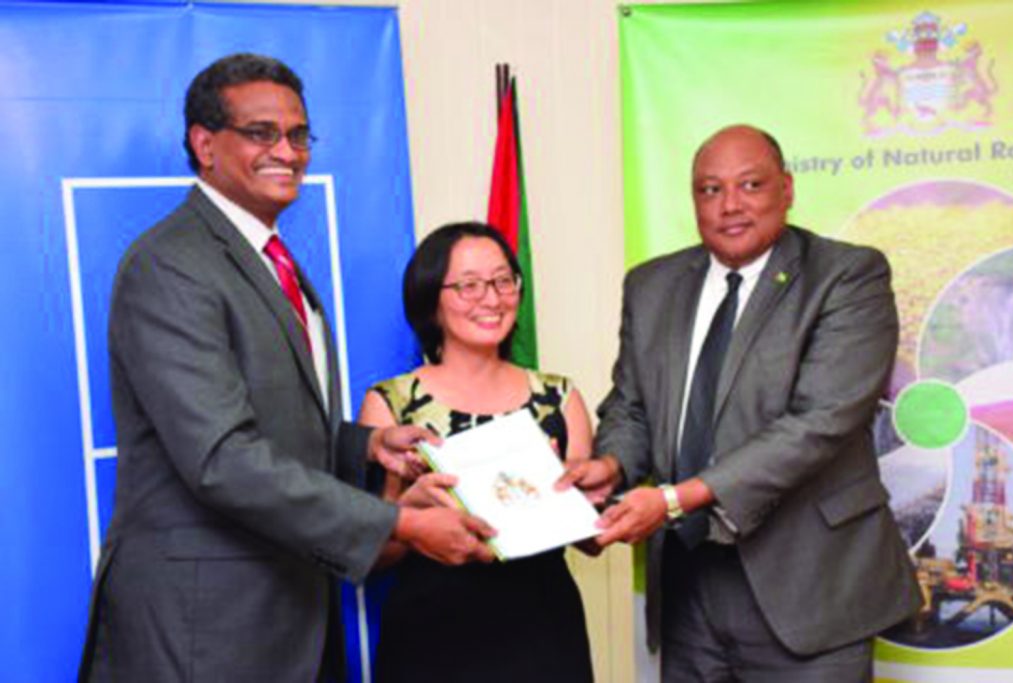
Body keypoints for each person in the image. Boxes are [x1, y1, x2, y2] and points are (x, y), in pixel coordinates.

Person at [78, 53, 493, 683]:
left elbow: (276, 421)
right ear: (204, 144)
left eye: (298, 134)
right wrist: (401, 522)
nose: (288, 151)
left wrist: (370, 446)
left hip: (290, 608)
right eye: (261, 133)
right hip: (205, 627)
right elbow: (221, 458)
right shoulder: (172, 265)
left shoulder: (273, 257)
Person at [559, 125, 922, 681]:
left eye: (750, 185)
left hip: (809, 590)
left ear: (787, 188)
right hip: (689, 589)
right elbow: (632, 405)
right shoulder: (652, 286)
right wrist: (609, 465)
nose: (729, 205)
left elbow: (819, 423)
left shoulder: (847, 276)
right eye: (709, 190)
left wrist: (675, 499)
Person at [358, 222, 595, 683]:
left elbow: (588, 539)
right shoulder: (391, 404)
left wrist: (572, 495)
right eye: (468, 286)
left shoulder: (559, 398)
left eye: (503, 281)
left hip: (544, 630)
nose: (491, 298)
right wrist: (410, 510)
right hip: (432, 635)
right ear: (431, 299)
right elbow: (372, 553)